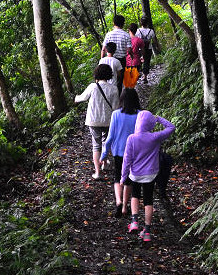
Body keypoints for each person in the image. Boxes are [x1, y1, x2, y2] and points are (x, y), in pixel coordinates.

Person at [120, 111, 176, 242]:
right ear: (150, 123)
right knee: (148, 201)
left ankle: (134, 222)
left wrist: (123, 177)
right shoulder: (155, 137)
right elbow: (171, 127)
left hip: (135, 174)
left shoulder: (131, 138)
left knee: (135, 196)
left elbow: (126, 160)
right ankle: (147, 231)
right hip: (150, 175)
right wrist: (158, 119)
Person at [74, 64, 120, 180]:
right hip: (108, 120)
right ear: (109, 75)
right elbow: (116, 107)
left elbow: (82, 98)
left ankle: (98, 172)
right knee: (106, 142)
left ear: (97, 74)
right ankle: (104, 163)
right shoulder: (114, 88)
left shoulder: (92, 86)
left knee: (96, 145)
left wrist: (75, 98)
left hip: (93, 120)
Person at [100, 88, 140, 217]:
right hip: (135, 152)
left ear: (121, 99)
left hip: (119, 151)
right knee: (129, 179)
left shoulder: (116, 114)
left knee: (118, 177)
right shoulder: (140, 114)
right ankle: (124, 207)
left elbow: (110, 137)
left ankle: (118, 201)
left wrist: (104, 154)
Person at [100, 14, 130, 92]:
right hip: (121, 60)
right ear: (123, 24)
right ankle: (118, 97)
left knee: (107, 79)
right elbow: (129, 50)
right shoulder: (126, 35)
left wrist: (102, 59)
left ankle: (108, 97)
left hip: (108, 60)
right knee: (119, 80)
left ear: (113, 23)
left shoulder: (108, 34)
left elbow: (103, 49)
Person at [123, 23, 145, 88]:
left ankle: (129, 91)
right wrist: (142, 57)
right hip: (136, 61)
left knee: (128, 79)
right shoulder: (139, 40)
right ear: (136, 30)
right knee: (134, 79)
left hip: (126, 62)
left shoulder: (125, 40)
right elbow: (143, 51)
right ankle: (132, 90)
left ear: (129, 30)